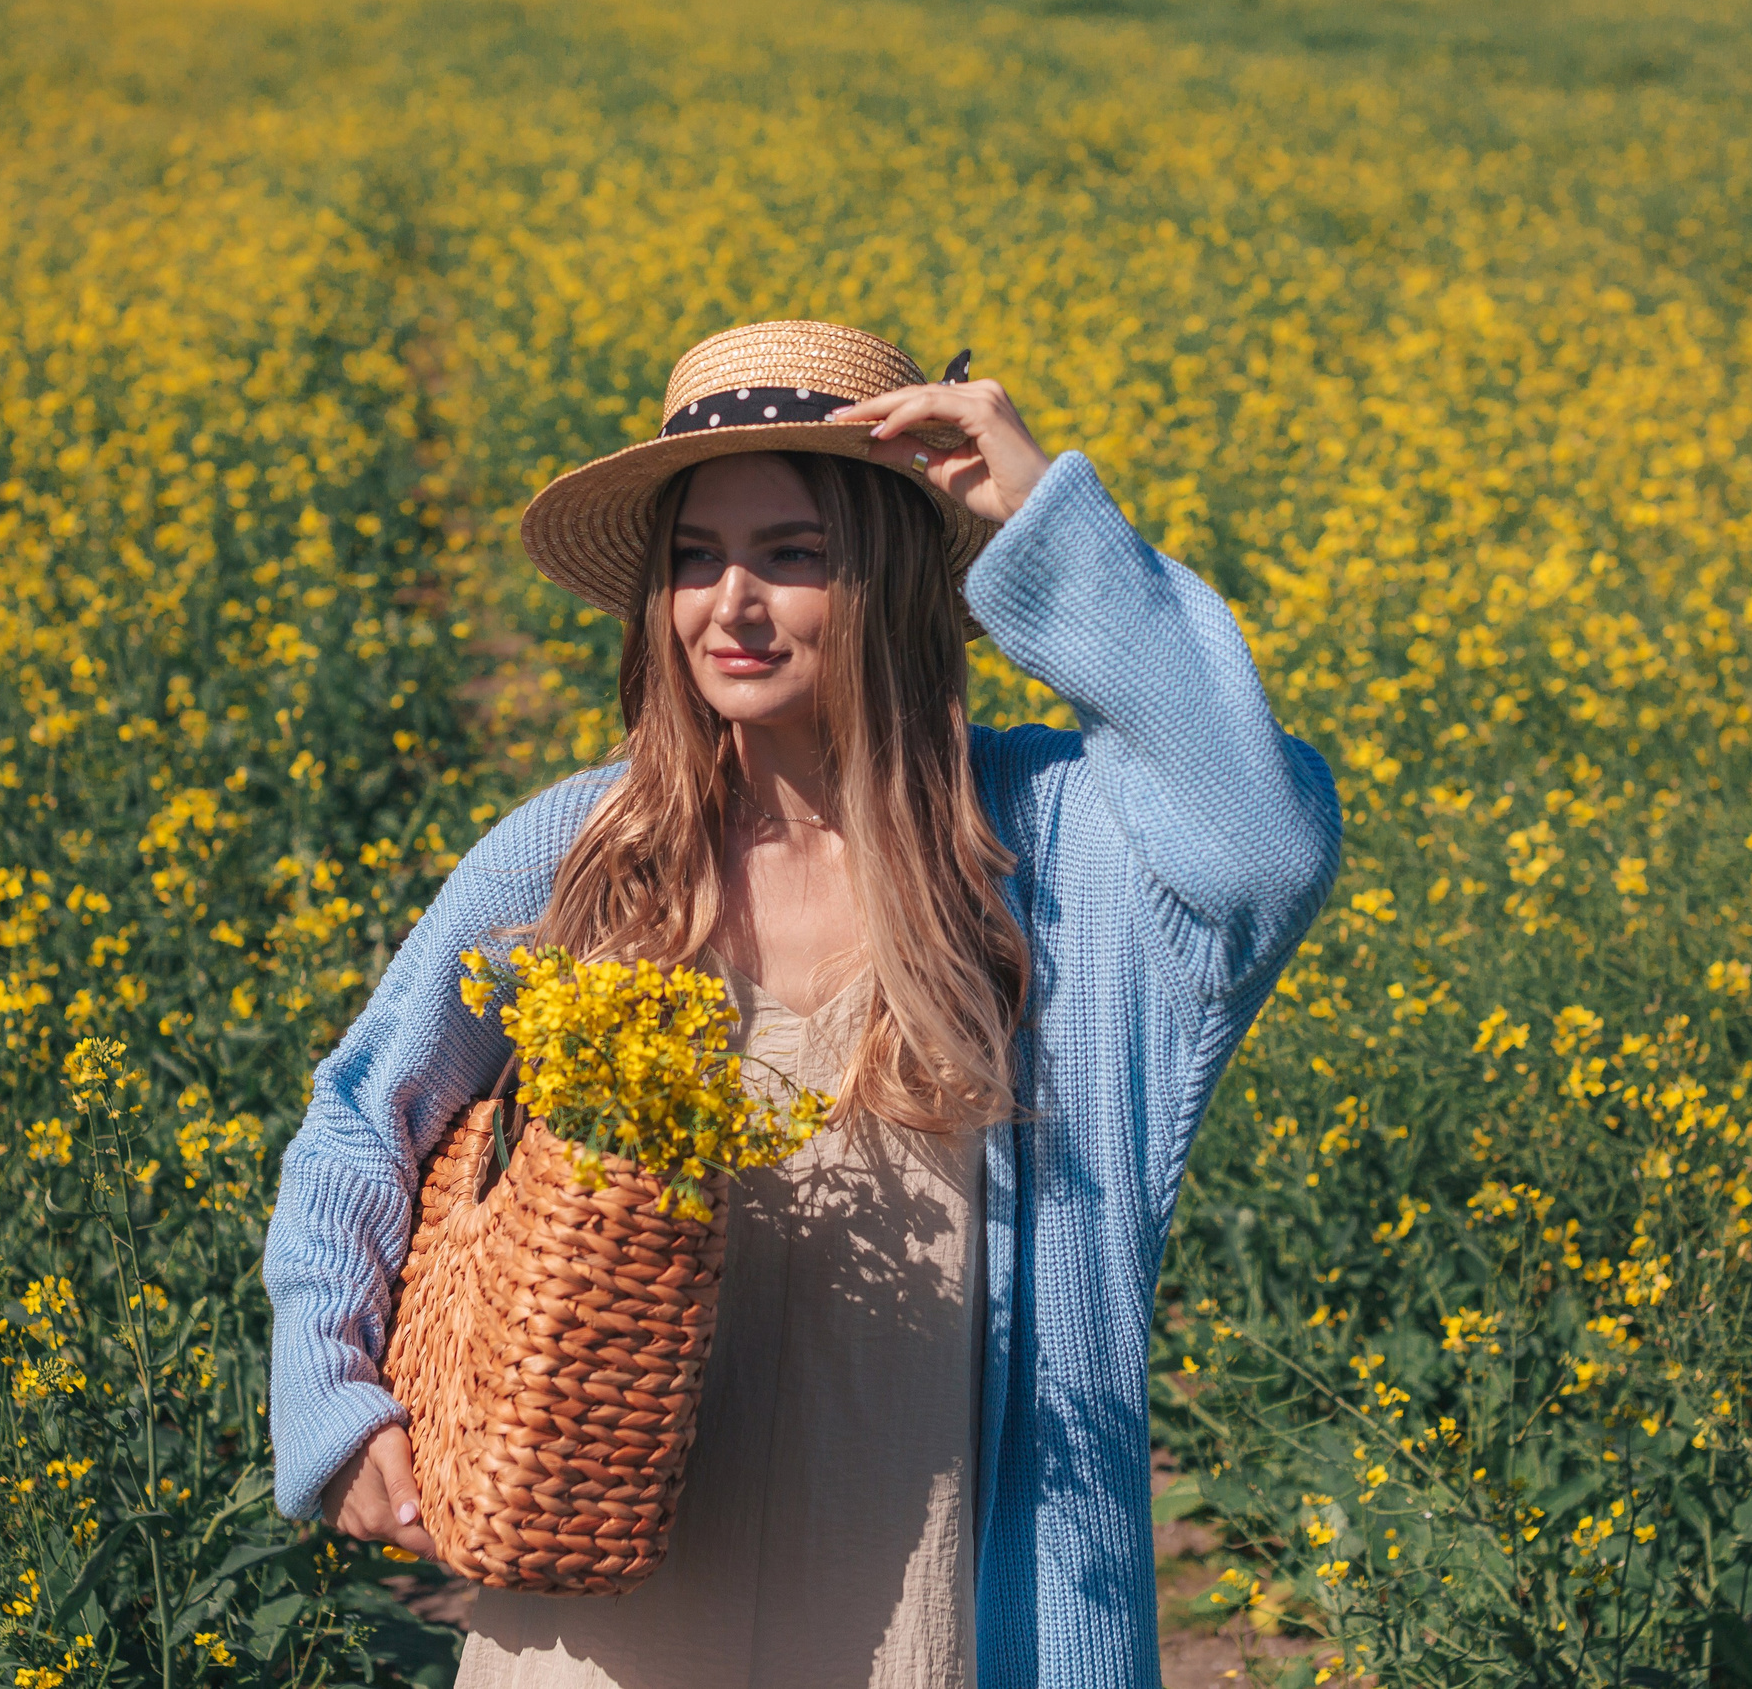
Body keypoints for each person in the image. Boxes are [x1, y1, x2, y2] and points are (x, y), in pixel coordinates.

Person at [261, 320, 1341, 1689]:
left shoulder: (1048, 852)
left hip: (923, 1627)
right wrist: (333, 1393)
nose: (732, 604)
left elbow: (1262, 847)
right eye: (695, 557)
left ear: (888, 574)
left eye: (792, 553)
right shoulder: (588, 852)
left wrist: (1047, 526)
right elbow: (366, 1111)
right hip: (604, 1631)